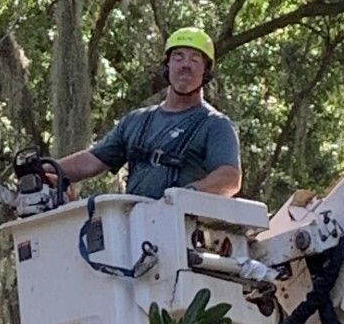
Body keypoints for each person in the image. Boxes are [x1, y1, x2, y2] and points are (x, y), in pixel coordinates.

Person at [54, 27, 241, 200]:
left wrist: (184, 196)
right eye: (178, 57)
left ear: (206, 71)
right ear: (167, 66)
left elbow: (229, 179)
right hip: (135, 225)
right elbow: (92, 161)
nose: (186, 65)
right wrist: (43, 168)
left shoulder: (215, 124)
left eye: (195, 59)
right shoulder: (136, 121)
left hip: (182, 227)